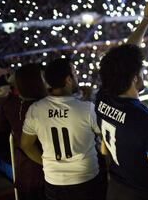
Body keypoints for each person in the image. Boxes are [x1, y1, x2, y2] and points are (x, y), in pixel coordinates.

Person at [96, 0, 148, 200]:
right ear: (134, 78)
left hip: (115, 189)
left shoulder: (102, 99)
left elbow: (126, 53)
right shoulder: (147, 122)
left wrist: (146, 19)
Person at [20, 58, 103, 200]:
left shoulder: (35, 109)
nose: (76, 77)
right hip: (85, 178)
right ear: (68, 80)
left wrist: (46, 162)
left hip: (54, 181)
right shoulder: (86, 108)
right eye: (75, 74)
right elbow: (103, 135)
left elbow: (26, 145)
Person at [1, 63, 47, 200]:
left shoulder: (9, 104)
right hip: (42, 169)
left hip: (22, 167)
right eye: (43, 78)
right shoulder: (44, 107)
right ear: (36, 82)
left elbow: (1, 129)